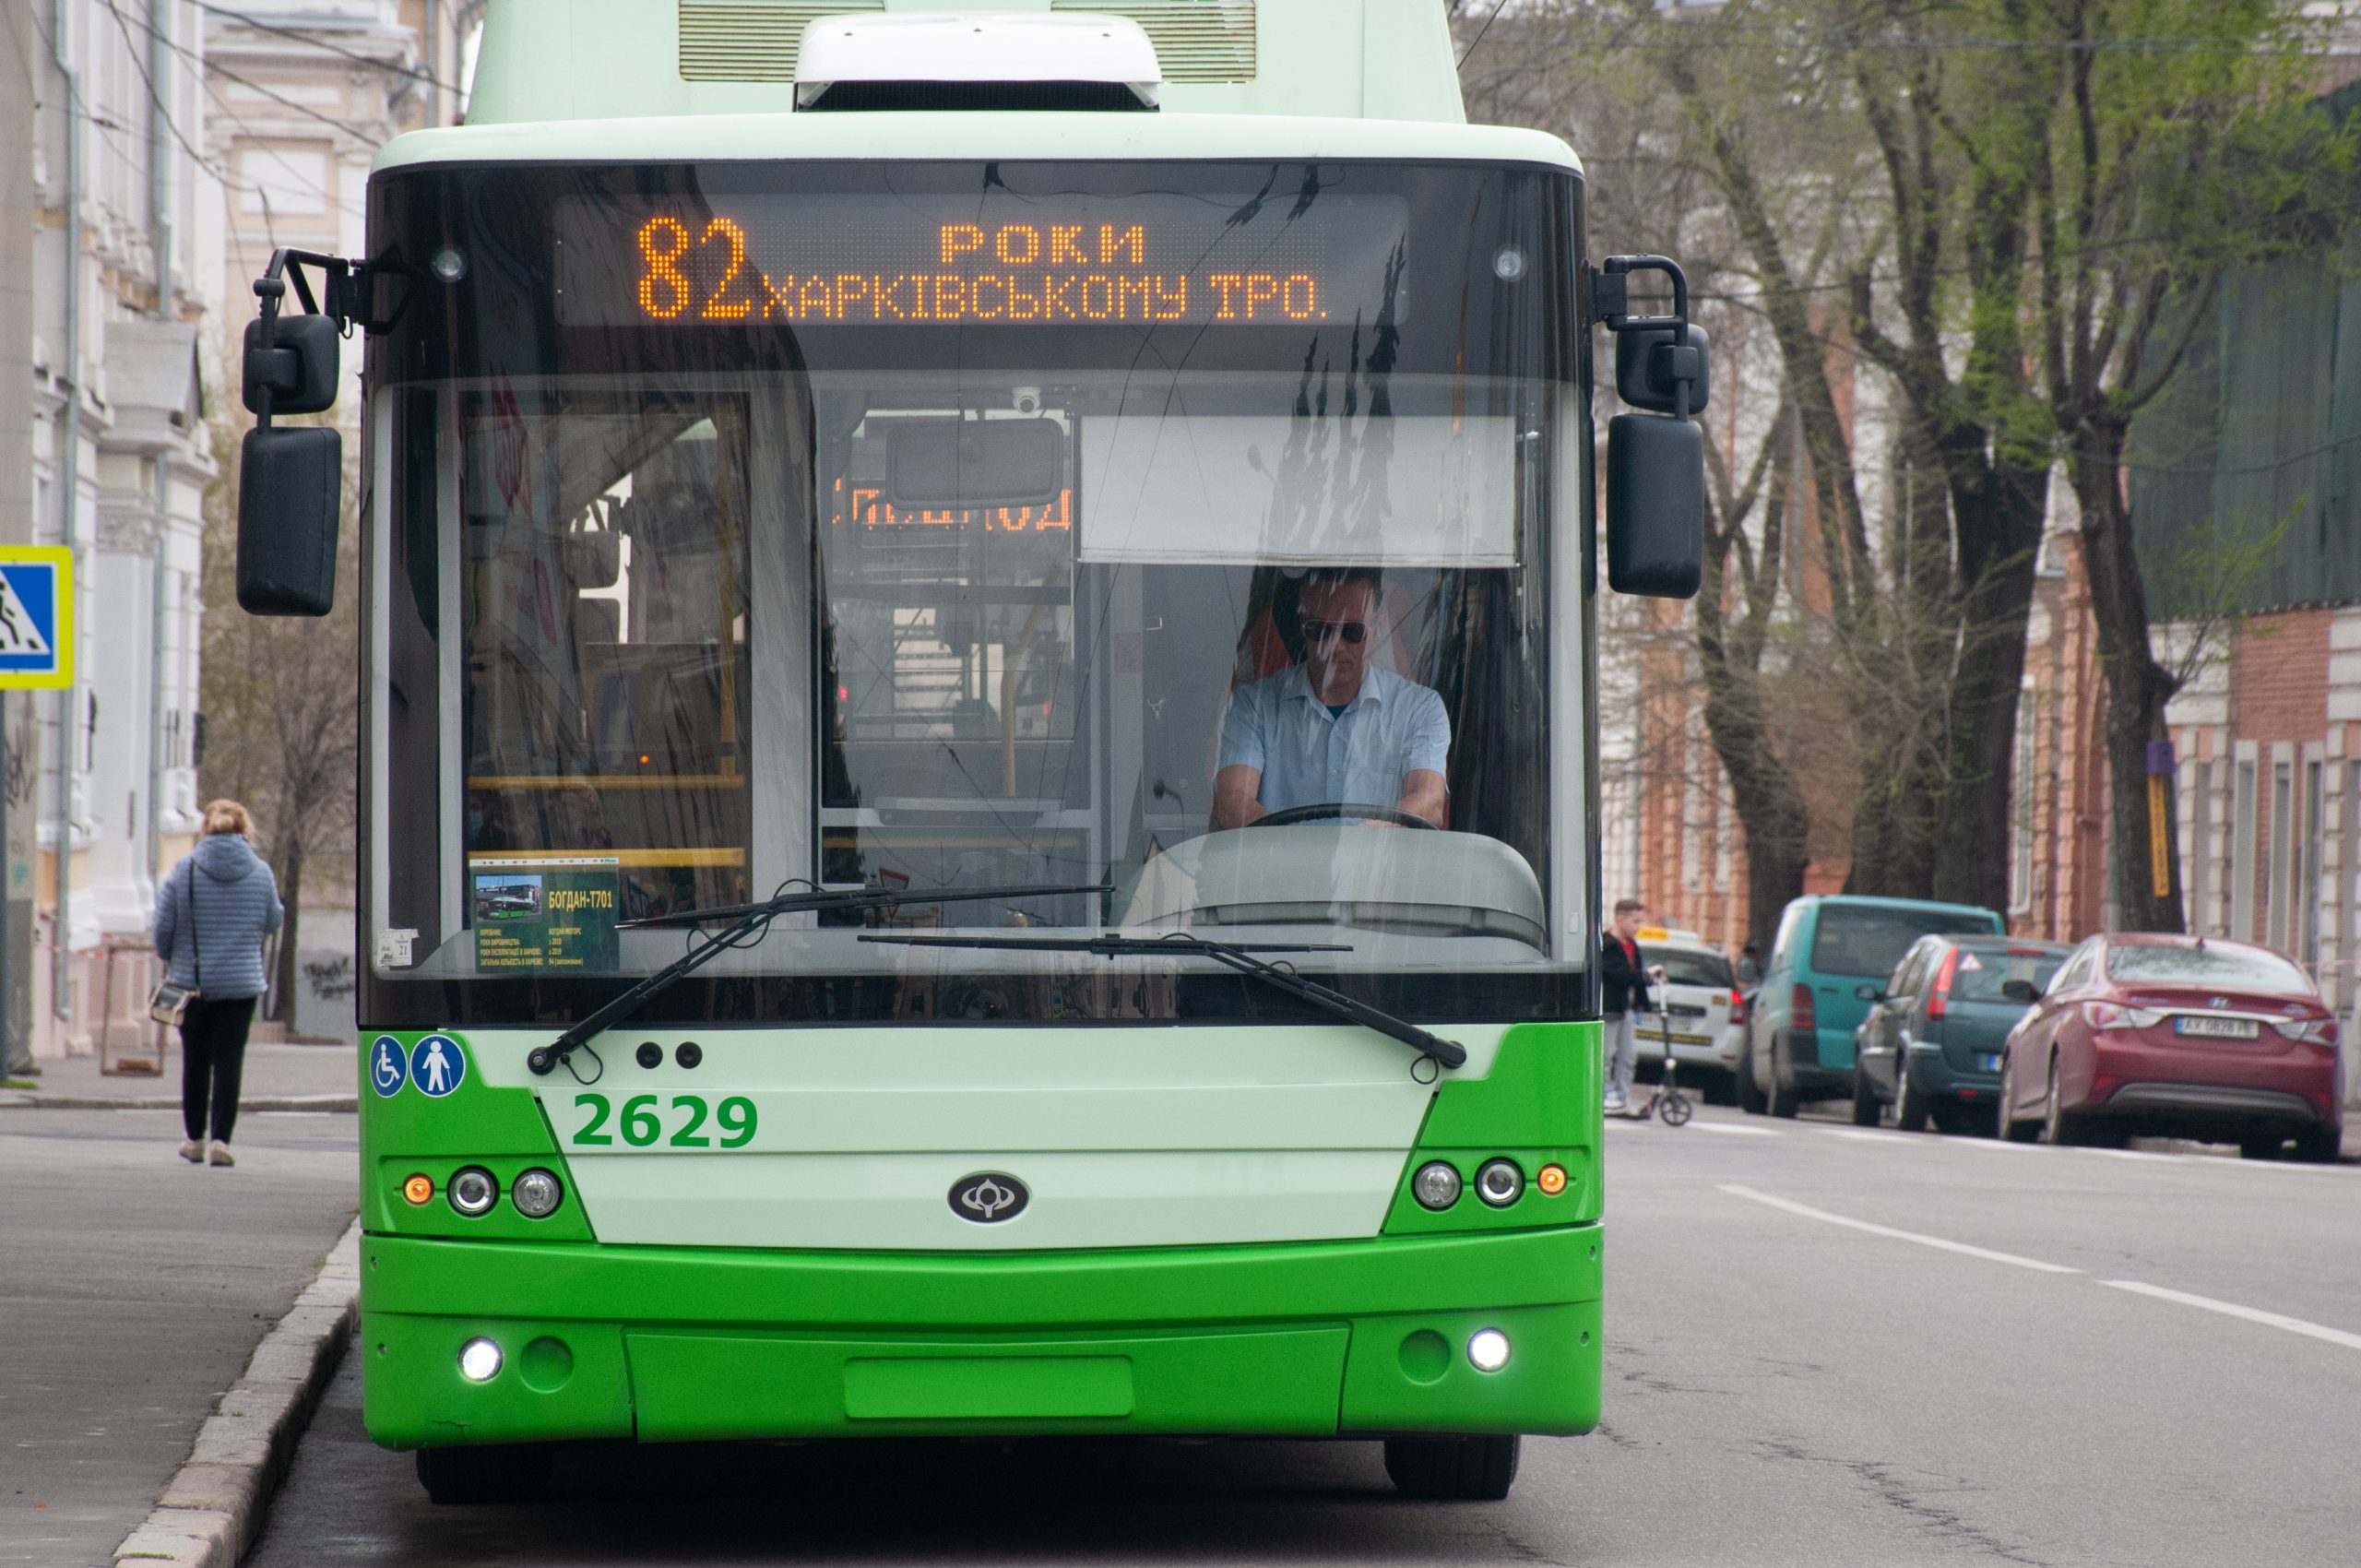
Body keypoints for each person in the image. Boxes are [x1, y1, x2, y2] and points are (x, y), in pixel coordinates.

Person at [1212, 568, 1450, 829]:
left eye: (1352, 631)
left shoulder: (1420, 709)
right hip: (1280, 868)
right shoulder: (1255, 705)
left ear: (1380, 625)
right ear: (1302, 623)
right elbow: (1232, 801)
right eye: (1320, 630)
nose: (1335, 645)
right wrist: (1292, 849)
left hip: (1378, 868)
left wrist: (1373, 838)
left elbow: (1429, 801)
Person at [152, 800, 284, 1169]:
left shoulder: (184, 871)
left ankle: (194, 1139)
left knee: (195, 1062)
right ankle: (222, 1141)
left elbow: (163, 928)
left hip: (191, 985)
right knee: (229, 1062)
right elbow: (273, 920)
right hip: (241, 985)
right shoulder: (260, 873)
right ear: (245, 830)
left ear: (205, 829)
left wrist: (169, 956)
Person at [1600, 898, 1667, 1114]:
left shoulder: (1631, 945)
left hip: (1625, 1009)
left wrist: (1650, 978)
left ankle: (1622, 1096)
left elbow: (1635, 977)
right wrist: (1645, 975)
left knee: (1628, 1056)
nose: (1639, 926)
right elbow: (1620, 976)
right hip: (1610, 1008)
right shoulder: (1608, 944)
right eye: (1635, 921)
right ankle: (1606, 1095)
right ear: (1620, 919)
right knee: (1606, 1054)